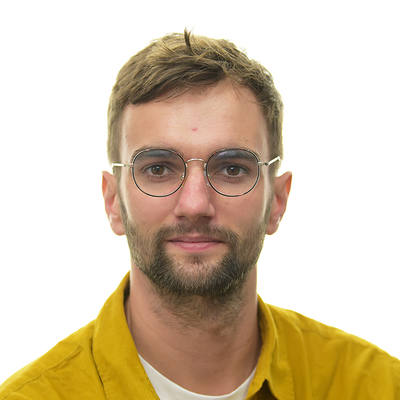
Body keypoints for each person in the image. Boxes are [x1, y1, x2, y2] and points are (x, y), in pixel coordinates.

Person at [1, 30, 399, 400]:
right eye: (158, 168)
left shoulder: (380, 387)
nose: (194, 204)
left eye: (232, 168)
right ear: (113, 201)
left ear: (277, 200)